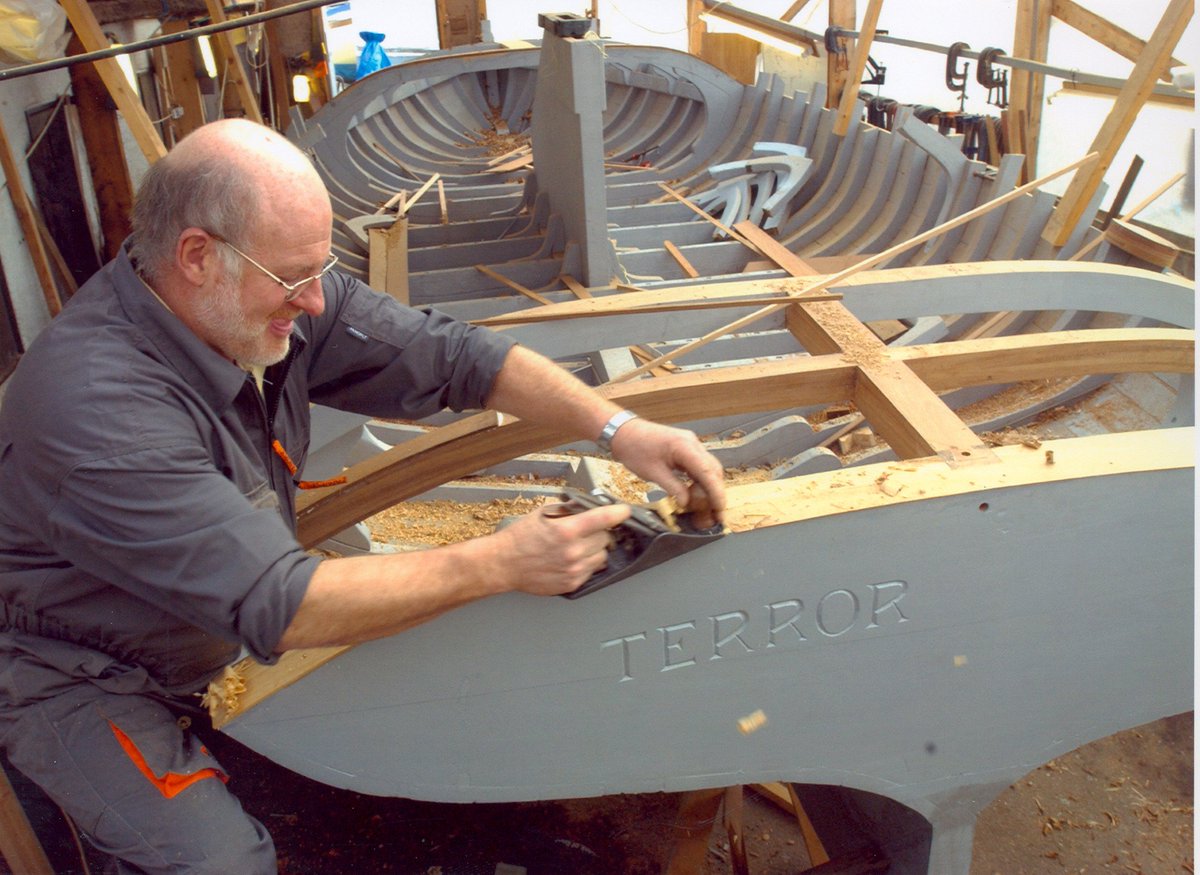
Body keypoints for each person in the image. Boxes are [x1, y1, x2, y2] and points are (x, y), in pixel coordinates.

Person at [0, 118, 725, 874]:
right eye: (292, 279)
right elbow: (282, 603)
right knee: (216, 863)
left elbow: (456, 357)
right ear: (196, 257)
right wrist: (503, 562)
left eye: (320, 271)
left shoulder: (245, 303)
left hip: (210, 623)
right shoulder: (96, 412)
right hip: (84, 673)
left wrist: (616, 426)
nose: (316, 302)